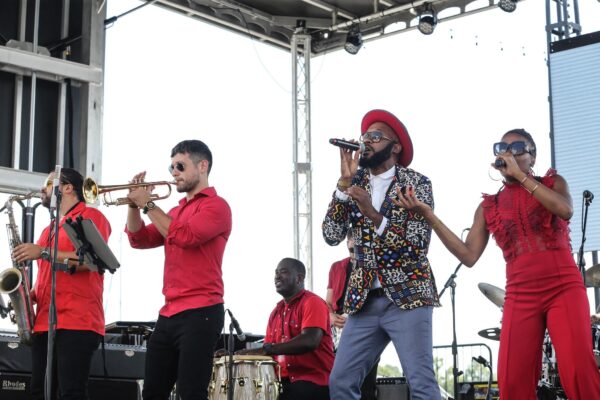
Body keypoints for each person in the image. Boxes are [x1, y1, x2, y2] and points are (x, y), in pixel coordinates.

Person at [396, 128, 600, 399]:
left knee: (577, 370)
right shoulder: (489, 206)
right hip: (520, 293)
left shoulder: (554, 184)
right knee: (511, 380)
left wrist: (520, 177)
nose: (508, 152)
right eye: (502, 147)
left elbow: (565, 210)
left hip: (563, 286)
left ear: (532, 155)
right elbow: (468, 256)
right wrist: (428, 215)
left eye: (517, 147)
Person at [322, 109, 441, 399]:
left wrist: (371, 213)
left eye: (375, 136)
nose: (367, 141)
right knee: (340, 382)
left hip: (407, 297)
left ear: (395, 147)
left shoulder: (417, 183)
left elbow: (415, 244)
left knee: (421, 385)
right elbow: (331, 235)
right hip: (364, 301)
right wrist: (343, 185)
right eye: (365, 136)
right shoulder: (355, 182)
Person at [125, 139, 232, 400]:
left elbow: (186, 237)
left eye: (180, 166)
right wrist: (132, 205)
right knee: (152, 392)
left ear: (203, 166)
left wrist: (148, 205)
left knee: (190, 393)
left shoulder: (217, 206)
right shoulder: (174, 210)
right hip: (169, 312)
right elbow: (138, 240)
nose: (174, 173)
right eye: (171, 167)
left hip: (201, 311)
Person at [13, 168, 112, 400]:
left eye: (48, 184)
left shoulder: (91, 217)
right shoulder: (48, 229)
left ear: (67, 188)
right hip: (45, 324)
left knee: (71, 393)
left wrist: (44, 252)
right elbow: (45, 280)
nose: (42, 189)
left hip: (78, 321)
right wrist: (25, 297)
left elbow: (94, 261)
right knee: (39, 391)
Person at [240, 257, 334, 400]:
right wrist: (234, 356)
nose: (276, 276)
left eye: (283, 272)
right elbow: (267, 352)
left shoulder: (312, 302)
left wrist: (268, 348)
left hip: (313, 381)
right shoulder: (276, 312)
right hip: (282, 383)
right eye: (276, 272)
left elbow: (310, 340)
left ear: (299, 278)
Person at [325, 232, 378, 400]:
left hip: (365, 324)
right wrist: (331, 316)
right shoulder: (337, 267)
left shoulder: (373, 264)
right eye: (352, 239)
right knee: (339, 378)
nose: (355, 243)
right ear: (347, 242)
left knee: (366, 383)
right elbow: (328, 300)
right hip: (340, 326)